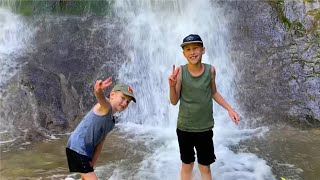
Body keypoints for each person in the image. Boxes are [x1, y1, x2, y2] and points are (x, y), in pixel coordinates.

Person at [168, 34, 240, 180]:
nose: (192, 52)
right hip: (185, 128)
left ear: (203, 50)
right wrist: (172, 85)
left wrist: (230, 109)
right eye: (188, 49)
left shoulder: (210, 71)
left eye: (195, 48)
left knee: (204, 167)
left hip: (204, 128)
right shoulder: (181, 72)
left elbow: (214, 92)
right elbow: (174, 101)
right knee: (187, 165)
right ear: (184, 53)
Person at [65, 77, 136, 180]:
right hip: (77, 148)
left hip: (85, 151)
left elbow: (100, 143)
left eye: (128, 102)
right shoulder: (106, 107)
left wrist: (92, 162)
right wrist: (98, 91)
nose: (125, 103)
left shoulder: (111, 122)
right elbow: (102, 99)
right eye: (123, 98)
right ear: (112, 95)